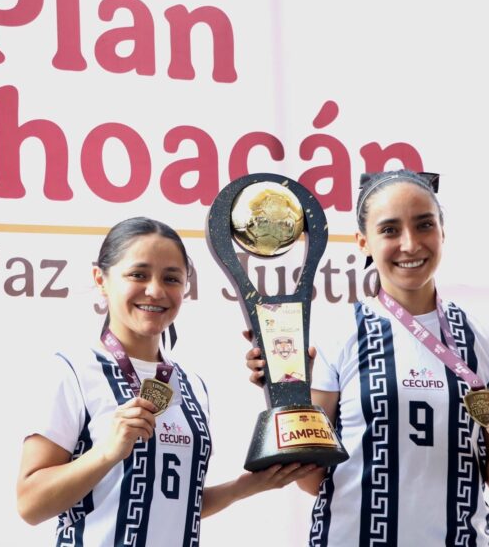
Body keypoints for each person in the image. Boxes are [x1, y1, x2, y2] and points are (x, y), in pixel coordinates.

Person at [246, 169, 489, 545]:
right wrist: (288, 395)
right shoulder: (336, 334)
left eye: (424, 225)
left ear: (443, 232)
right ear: (363, 242)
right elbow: (312, 481)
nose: (410, 244)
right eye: (390, 230)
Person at [17, 216, 316, 546]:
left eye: (171, 278)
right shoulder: (71, 371)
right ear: (101, 279)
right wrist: (107, 452)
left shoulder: (191, 385)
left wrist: (243, 487)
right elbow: (30, 504)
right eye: (138, 274)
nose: (156, 290)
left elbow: (173, 505)